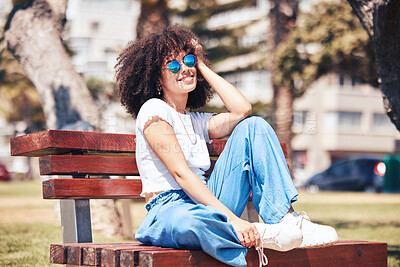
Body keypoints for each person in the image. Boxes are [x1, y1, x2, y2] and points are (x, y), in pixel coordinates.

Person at [115, 25, 338, 267]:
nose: (184, 68)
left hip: (208, 202)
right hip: (172, 208)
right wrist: (233, 220)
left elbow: (242, 110)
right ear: (157, 77)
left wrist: (200, 65)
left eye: (187, 60)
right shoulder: (153, 110)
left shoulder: (196, 121)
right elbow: (181, 174)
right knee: (193, 223)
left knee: (254, 126)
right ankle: (259, 234)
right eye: (173, 65)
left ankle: (287, 221)